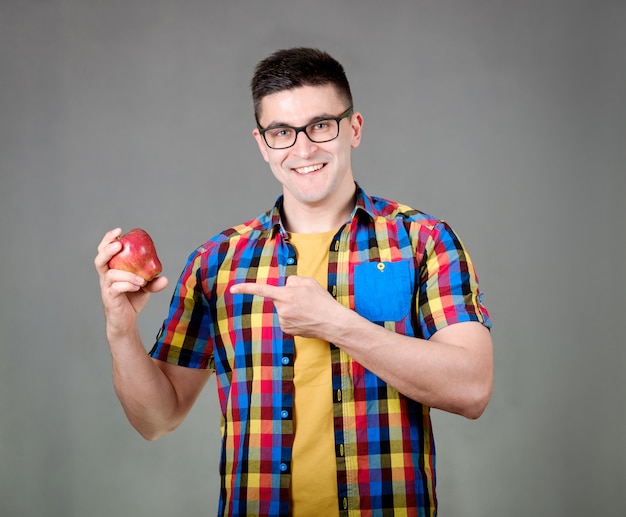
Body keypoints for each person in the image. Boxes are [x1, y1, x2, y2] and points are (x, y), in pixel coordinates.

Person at [95, 47, 493, 517]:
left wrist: (336, 324)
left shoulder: (423, 241)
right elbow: (156, 420)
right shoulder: (217, 261)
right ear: (262, 144)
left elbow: (471, 389)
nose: (303, 150)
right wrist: (121, 330)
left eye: (321, 125)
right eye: (282, 133)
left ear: (355, 128)